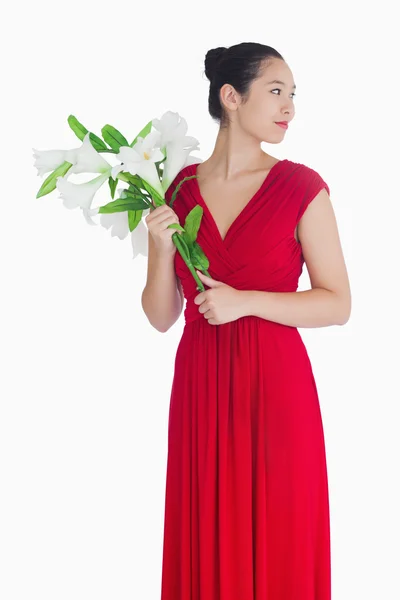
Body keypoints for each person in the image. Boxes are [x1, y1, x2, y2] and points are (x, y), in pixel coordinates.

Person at [142, 42, 351, 600]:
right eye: (276, 92)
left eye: (292, 96)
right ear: (231, 98)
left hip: (277, 390)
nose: (289, 107)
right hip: (201, 387)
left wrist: (248, 301)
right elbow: (162, 317)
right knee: (204, 525)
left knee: (282, 528)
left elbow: (337, 303)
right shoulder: (180, 189)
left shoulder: (302, 187)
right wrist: (160, 251)